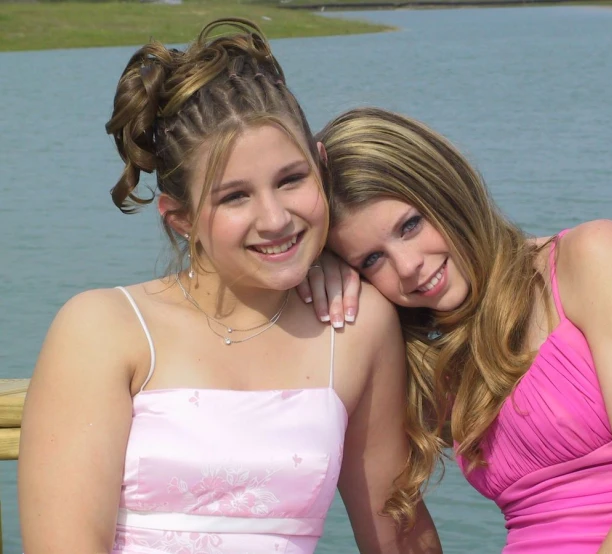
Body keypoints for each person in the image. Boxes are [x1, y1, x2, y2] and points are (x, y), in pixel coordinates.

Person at [17, 24, 443, 554]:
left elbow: (396, 531)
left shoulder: (355, 325)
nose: (275, 218)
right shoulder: (104, 328)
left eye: (291, 180)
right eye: (235, 197)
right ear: (180, 218)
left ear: (321, 166)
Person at [298, 106, 612, 553]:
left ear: (446, 186)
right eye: (371, 260)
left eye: (411, 225)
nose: (408, 266)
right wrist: (313, 269)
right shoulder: (433, 357)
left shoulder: (590, 259)